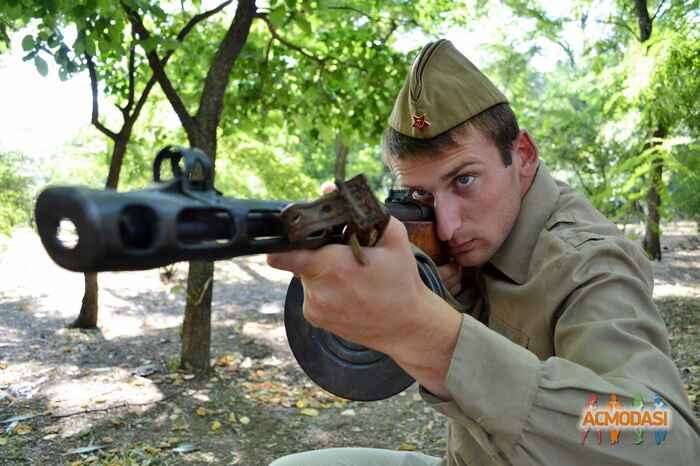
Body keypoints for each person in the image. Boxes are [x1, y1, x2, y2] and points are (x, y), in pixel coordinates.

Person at [266, 39, 700, 465]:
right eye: (421, 194)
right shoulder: (464, 242)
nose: (449, 224)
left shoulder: (589, 264)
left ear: (524, 155)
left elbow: (664, 440)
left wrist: (435, 338)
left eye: (464, 180)